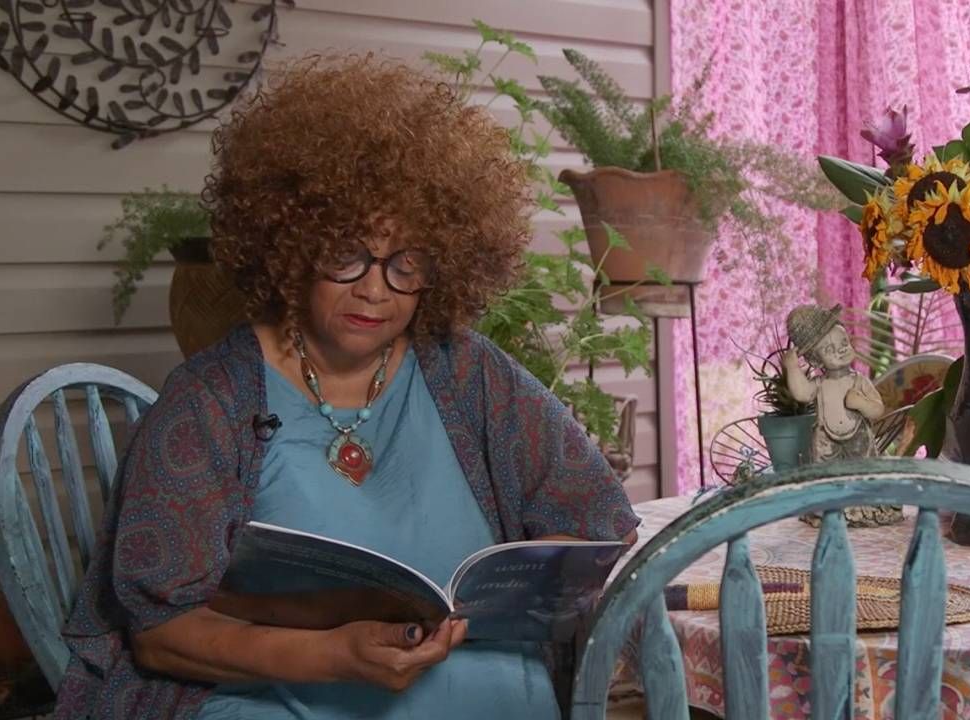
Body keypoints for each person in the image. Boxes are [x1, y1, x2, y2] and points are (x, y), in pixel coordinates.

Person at [53, 54, 639, 720]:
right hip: (277, 693)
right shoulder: (210, 400)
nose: (373, 287)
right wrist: (333, 656)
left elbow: (596, 525)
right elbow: (159, 636)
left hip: (482, 682)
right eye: (345, 254)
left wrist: (529, 585)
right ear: (289, 246)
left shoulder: (468, 373)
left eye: (405, 262)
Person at [782, 304, 900, 527]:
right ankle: (829, 507)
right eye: (829, 349)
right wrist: (793, 368)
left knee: (863, 471)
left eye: (844, 343)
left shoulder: (859, 381)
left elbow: (878, 409)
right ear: (816, 361)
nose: (841, 350)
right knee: (826, 475)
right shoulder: (820, 384)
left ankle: (864, 506)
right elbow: (801, 392)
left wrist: (862, 403)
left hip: (859, 439)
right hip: (826, 440)